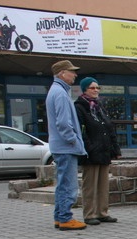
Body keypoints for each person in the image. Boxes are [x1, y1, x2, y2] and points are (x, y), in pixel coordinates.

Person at [45, 59, 87, 230]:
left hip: (60, 146)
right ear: (62, 73)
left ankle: (59, 216)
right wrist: (74, 141)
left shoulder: (55, 91)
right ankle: (65, 218)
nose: (75, 74)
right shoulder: (61, 93)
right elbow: (63, 124)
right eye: (72, 71)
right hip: (65, 146)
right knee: (69, 184)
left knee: (62, 183)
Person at [74, 77, 121, 226]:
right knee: (90, 185)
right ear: (85, 90)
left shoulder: (99, 107)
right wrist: (89, 147)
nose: (95, 90)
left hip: (104, 152)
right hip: (91, 153)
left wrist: (115, 148)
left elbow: (109, 128)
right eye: (92, 88)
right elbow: (81, 131)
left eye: (97, 88)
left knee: (103, 185)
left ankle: (102, 212)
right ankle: (90, 214)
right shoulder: (79, 107)